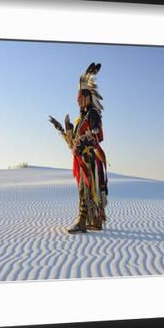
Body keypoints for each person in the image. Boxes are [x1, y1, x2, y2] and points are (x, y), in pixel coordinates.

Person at [48, 62, 108, 233]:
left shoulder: (93, 113)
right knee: (87, 188)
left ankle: (82, 221)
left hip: (89, 157)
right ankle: (95, 220)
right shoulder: (81, 117)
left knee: (86, 187)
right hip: (81, 157)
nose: (78, 101)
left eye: (81, 98)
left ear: (88, 97)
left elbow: (96, 131)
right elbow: (74, 140)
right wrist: (65, 132)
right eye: (77, 99)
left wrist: (86, 138)